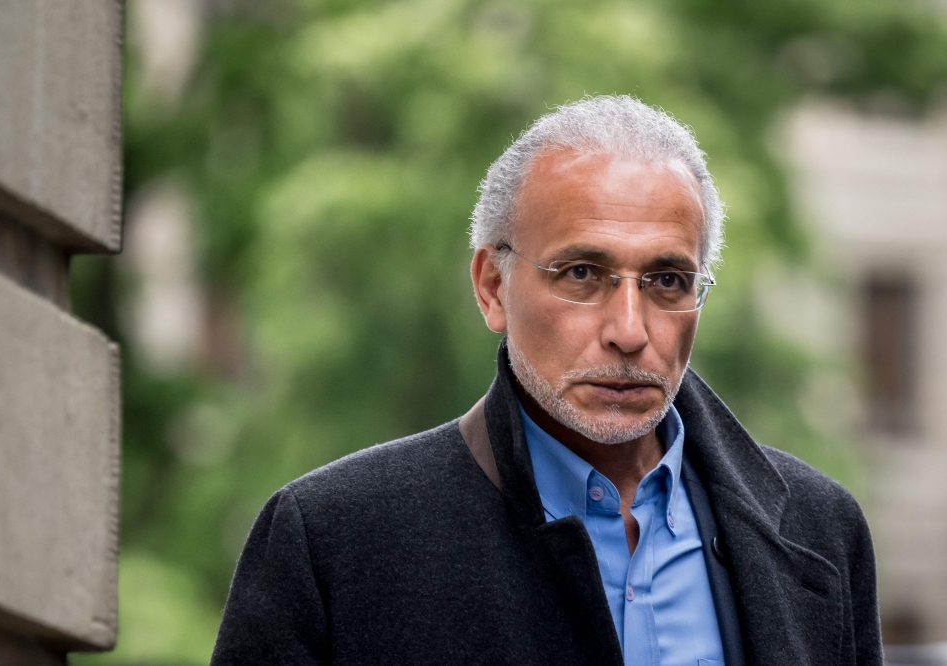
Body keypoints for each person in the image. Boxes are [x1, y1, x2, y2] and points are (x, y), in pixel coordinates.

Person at [210, 95, 881, 666]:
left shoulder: (821, 531)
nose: (629, 328)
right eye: (582, 274)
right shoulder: (334, 542)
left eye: (668, 280)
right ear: (492, 287)